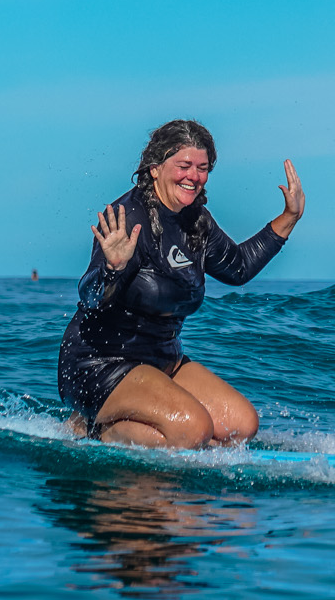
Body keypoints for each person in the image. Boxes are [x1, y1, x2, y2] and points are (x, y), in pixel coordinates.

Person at [58, 119, 303, 448]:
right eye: (184, 165)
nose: (194, 176)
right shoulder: (128, 218)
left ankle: (151, 429)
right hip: (101, 364)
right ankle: (95, 429)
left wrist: (288, 219)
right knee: (192, 428)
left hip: (161, 362)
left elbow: (237, 268)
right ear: (155, 168)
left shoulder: (196, 220)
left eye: (202, 168)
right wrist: (113, 269)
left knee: (240, 425)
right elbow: (90, 297)